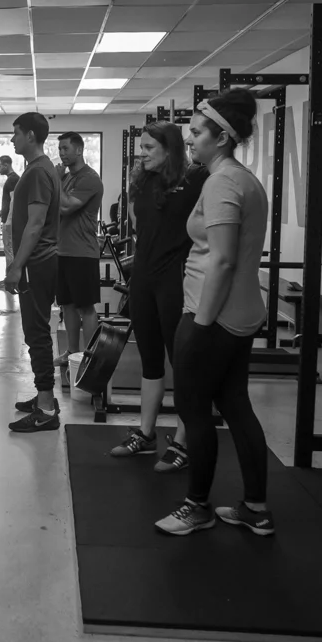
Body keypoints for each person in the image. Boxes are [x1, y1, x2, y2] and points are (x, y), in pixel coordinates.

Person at [156, 89, 274, 537]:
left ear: (221, 138)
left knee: (193, 409)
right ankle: (255, 509)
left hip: (213, 315)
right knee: (236, 406)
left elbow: (222, 260)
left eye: (196, 133)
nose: (189, 141)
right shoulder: (244, 179)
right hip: (238, 312)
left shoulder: (222, 182)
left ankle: (197, 507)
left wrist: (200, 327)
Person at [110, 122, 207, 471]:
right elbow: (138, 225)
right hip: (143, 279)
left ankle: (182, 440)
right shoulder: (142, 182)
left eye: (150, 148)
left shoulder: (195, 180)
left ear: (171, 149)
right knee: (150, 359)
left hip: (175, 281)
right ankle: (146, 433)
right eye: (142, 147)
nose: (143, 154)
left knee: (181, 362)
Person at [6, 112, 62, 433]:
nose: (12, 139)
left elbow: (35, 224)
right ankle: (45, 397)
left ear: (30, 135)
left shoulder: (39, 171)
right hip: (40, 262)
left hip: (37, 263)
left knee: (36, 333)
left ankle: (46, 410)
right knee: (36, 331)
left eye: (15, 133)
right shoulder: (39, 168)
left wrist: (16, 266)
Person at [54, 132, 104, 366]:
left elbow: (65, 207)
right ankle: (72, 353)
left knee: (86, 307)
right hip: (62, 250)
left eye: (65, 148)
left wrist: (56, 181)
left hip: (83, 252)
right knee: (67, 305)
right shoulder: (66, 178)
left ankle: (89, 357)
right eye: (60, 149)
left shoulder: (90, 178)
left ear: (79, 150)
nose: (61, 153)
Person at [0, 155, 19, 291]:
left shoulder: (13, 180)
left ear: (6, 165)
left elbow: (14, 202)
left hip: (10, 222)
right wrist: (1, 212)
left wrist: (8, 222)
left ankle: (9, 280)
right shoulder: (12, 179)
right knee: (9, 250)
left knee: (9, 251)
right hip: (8, 219)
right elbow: (10, 202)